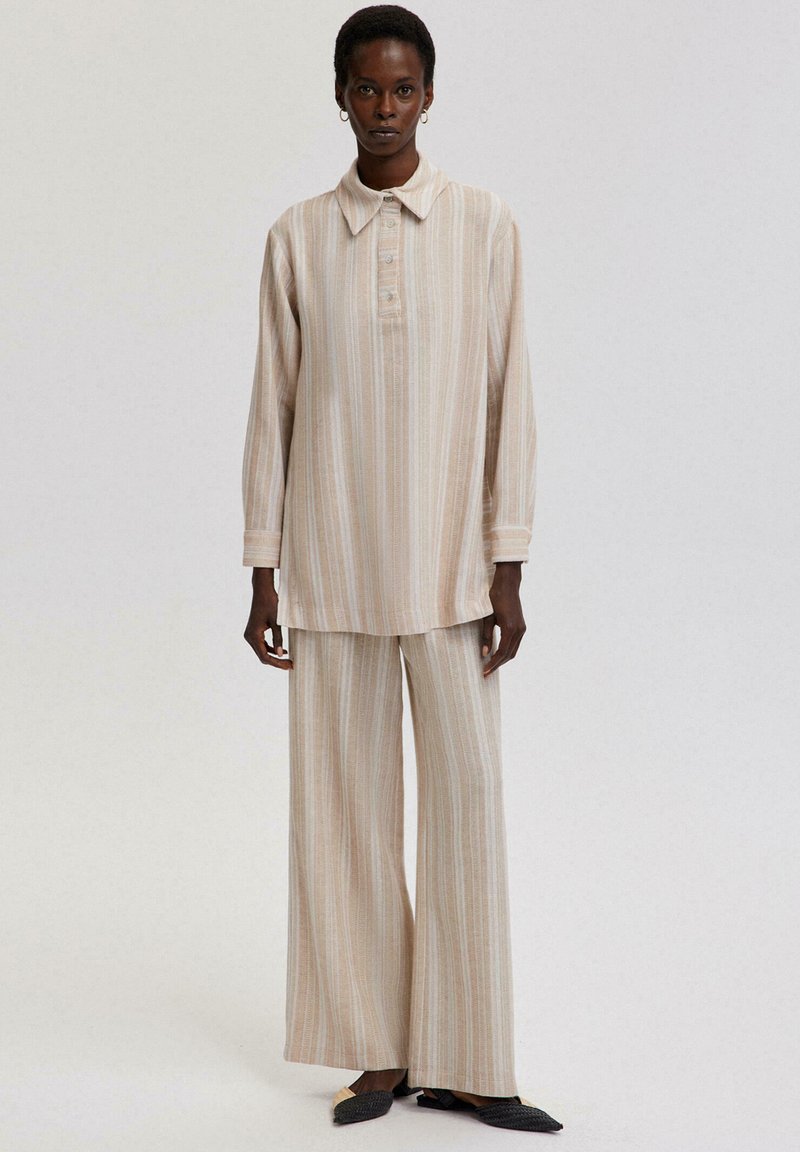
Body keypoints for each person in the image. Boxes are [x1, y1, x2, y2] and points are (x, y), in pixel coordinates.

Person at [241, 3, 563, 1134]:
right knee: (343, 814)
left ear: (430, 95)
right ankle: (375, 1053)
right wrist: (263, 568)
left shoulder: (483, 225)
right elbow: (272, 410)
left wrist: (507, 562)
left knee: (466, 806)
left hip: (448, 570)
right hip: (330, 565)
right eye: (366, 89)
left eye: (403, 88)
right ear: (339, 97)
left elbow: (508, 396)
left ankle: (471, 1062)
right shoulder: (296, 237)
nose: (385, 108)